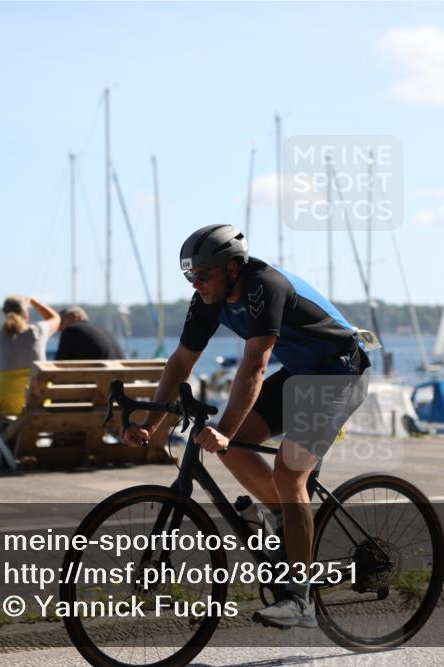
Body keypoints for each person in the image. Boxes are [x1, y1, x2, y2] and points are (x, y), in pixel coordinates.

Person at [122, 224, 369, 629]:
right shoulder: (207, 299)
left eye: (204, 274)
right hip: (302, 373)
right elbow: (181, 363)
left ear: (233, 267)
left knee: (289, 474)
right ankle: (284, 520)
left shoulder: (264, 285)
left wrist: (226, 429)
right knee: (233, 449)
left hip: (337, 373)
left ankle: (300, 599)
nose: (196, 283)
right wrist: (150, 422)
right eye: (190, 276)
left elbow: (255, 365)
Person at [0, 296, 60, 442]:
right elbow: (55, 317)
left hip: (5, 404)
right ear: (26, 315)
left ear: (5, 314)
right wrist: (34, 302)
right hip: (39, 403)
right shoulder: (39, 331)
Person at [54, 306, 124, 360]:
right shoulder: (104, 331)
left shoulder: (72, 330)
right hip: (121, 377)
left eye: (60, 321)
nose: (59, 328)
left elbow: (60, 363)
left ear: (74, 316)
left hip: (99, 377)